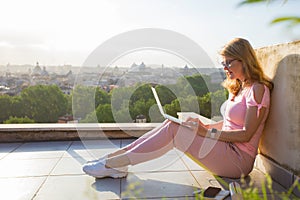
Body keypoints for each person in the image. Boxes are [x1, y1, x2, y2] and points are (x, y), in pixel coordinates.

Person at [82, 38, 273, 179]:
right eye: (223, 63)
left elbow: (246, 134)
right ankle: (112, 160)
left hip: (238, 161)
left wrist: (207, 133)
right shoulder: (239, 87)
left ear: (244, 60)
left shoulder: (257, 89)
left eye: (229, 62)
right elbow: (230, 124)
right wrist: (202, 126)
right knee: (171, 123)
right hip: (225, 148)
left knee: (175, 130)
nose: (225, 68)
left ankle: (112, 164)